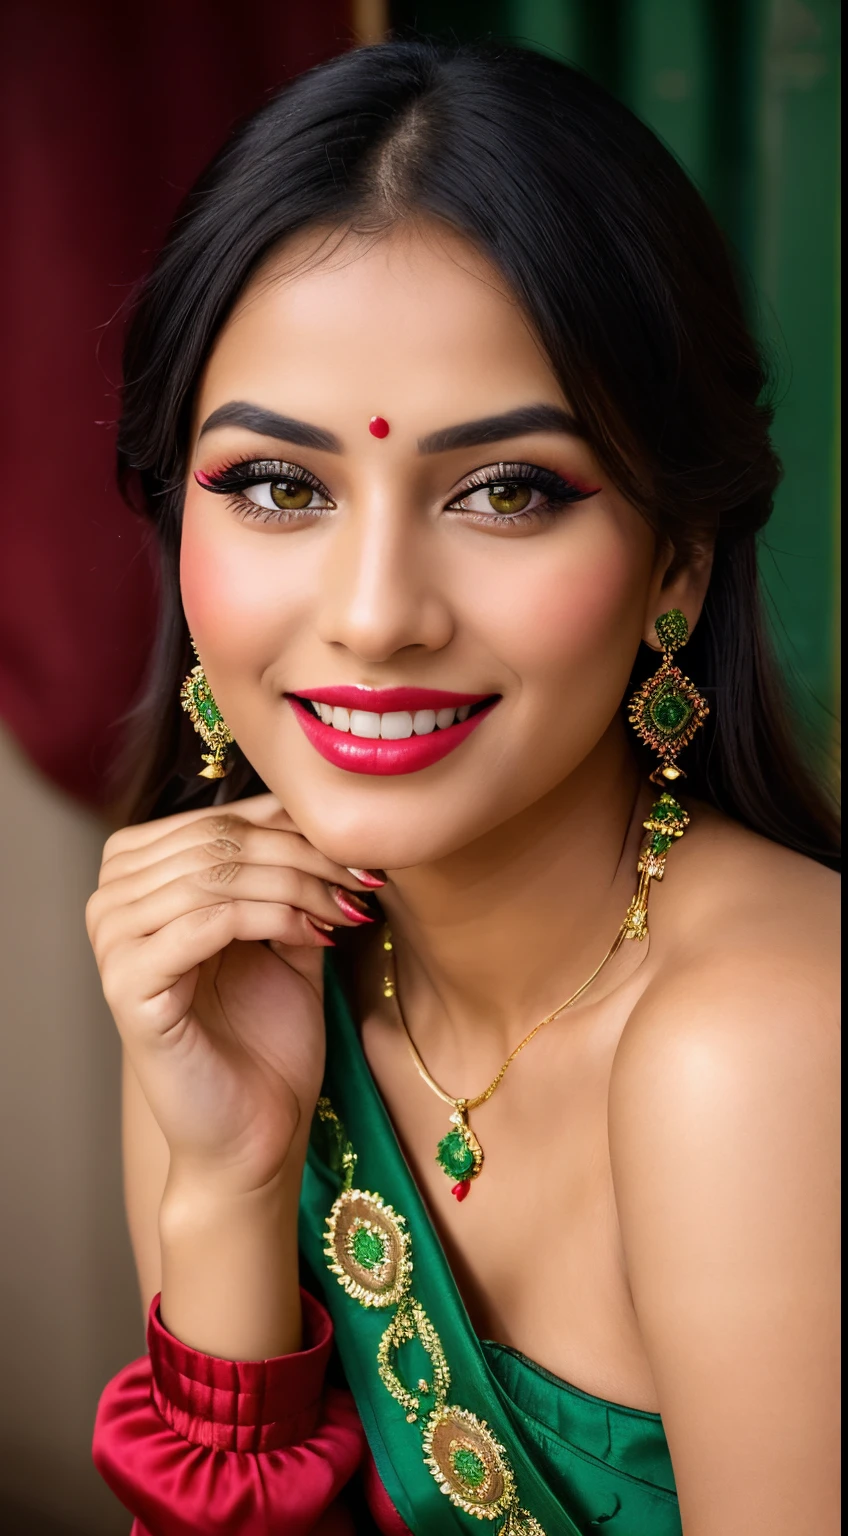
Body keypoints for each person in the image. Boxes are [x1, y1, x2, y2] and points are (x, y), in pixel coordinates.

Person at [86, 39, 840, 1536]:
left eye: (507, 491)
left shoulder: (764, 1051)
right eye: (279, 487)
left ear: (674, 569)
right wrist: (230, 1183)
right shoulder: (230, 973)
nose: (376, 614)